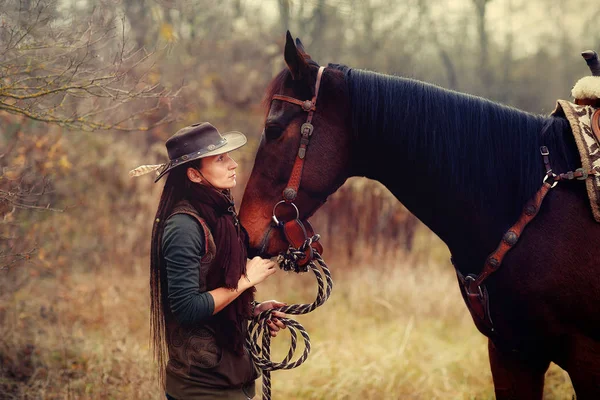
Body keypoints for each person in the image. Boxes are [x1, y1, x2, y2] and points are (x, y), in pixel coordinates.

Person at [139, 122, 286, 399]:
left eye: (228, 156)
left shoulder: (220, 214)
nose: (233, 164)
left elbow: (211, 287)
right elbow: (187, 309)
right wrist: (244, 282)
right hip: (202, 389)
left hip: (232, 380)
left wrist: (251, 310)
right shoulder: (183, 226)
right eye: (220, 159)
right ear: (194, 175)